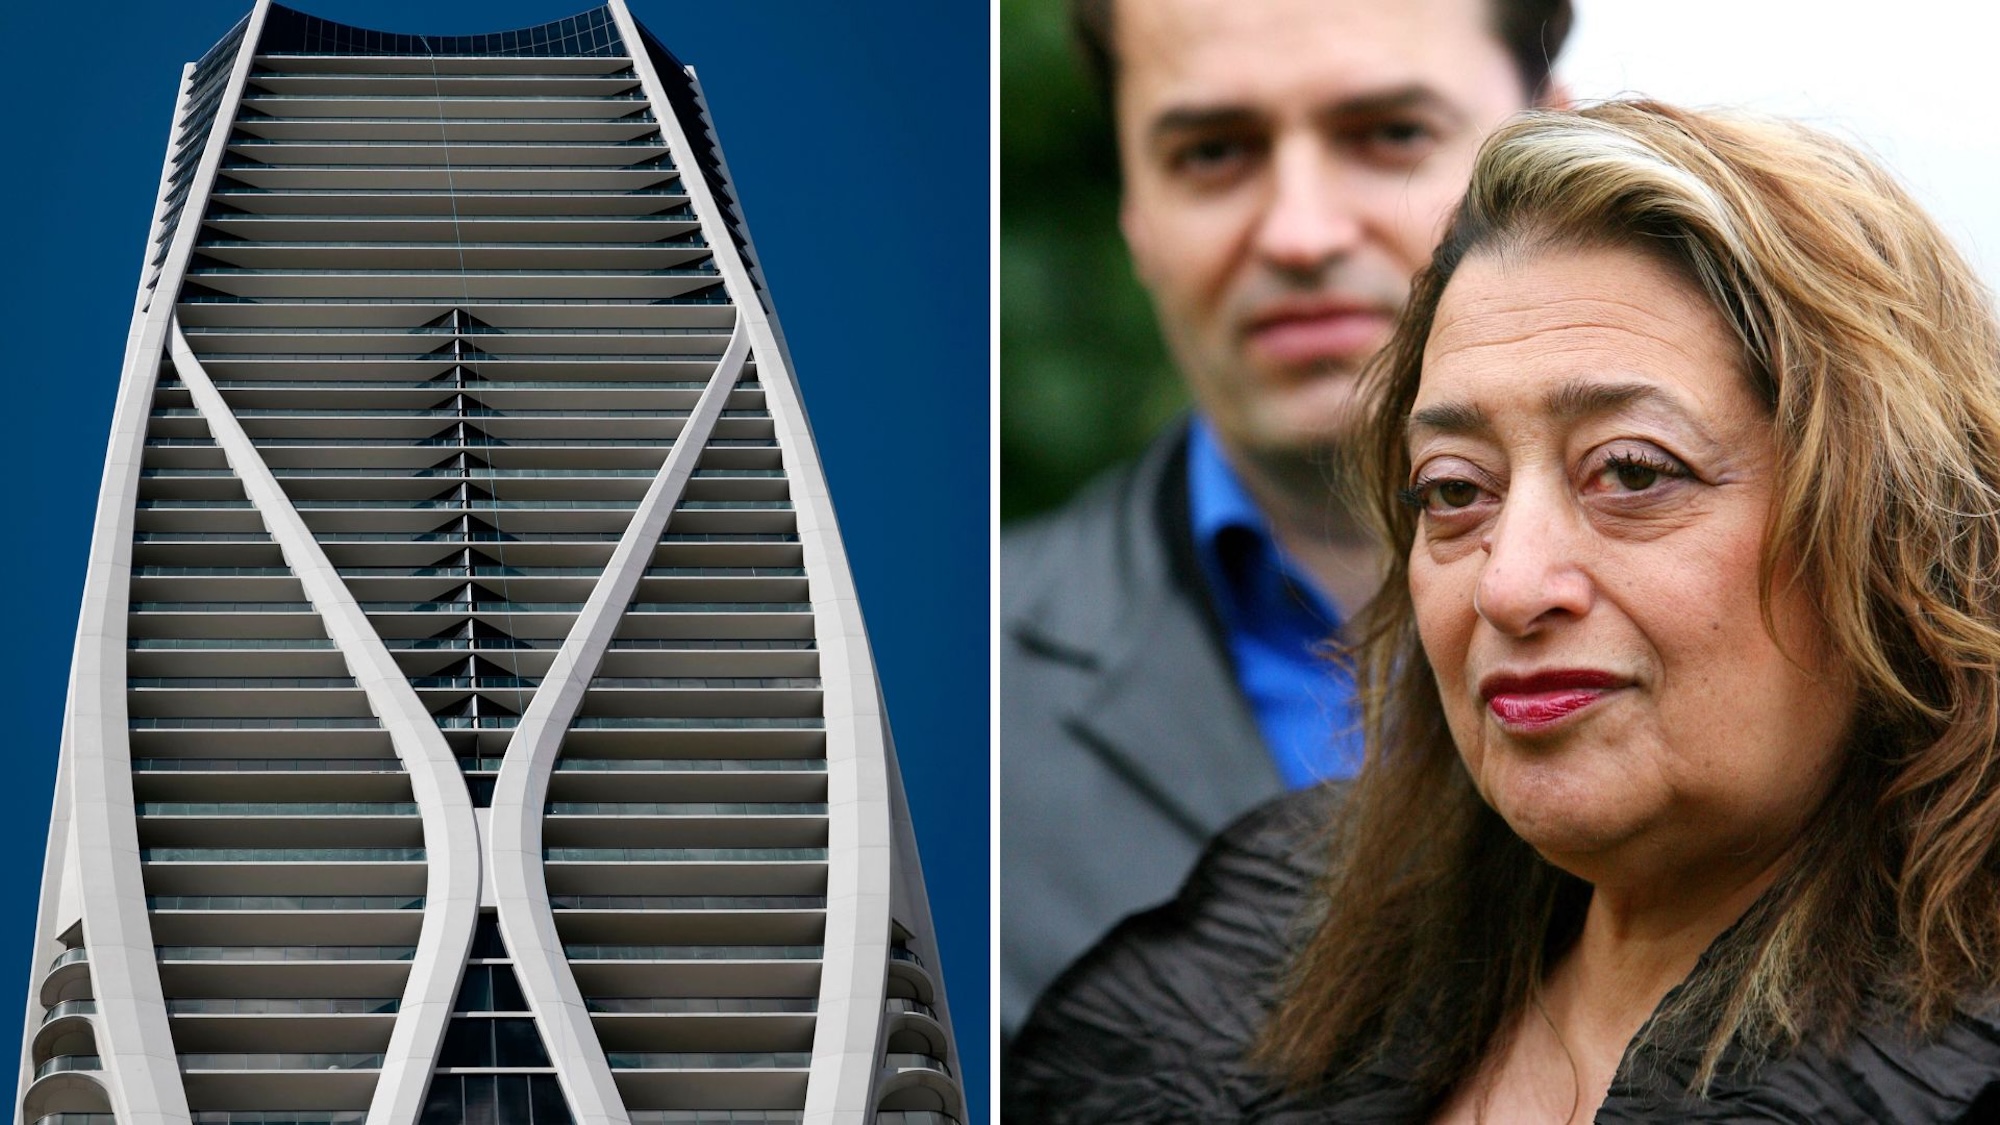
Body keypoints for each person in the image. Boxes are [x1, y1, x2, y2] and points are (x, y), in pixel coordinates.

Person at [1007, 99, 2000, 1122]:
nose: (1508, 584)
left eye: (1629, 470)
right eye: (1451, 490)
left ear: (1893, 534)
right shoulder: (1244, 969)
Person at [1000, 0, 1575, 1040]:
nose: (1300, 234)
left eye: (1387, 135)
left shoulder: (1777, 661)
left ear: (1546, 158)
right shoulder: (939, 697)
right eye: (1213, 152)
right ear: (1133, 206)